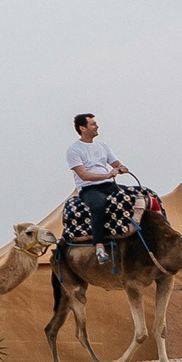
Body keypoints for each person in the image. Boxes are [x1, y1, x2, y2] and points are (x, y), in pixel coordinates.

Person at [66, 113, 136, 267]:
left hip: (109, 185)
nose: (96, 126)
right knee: (98, 206)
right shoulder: (74, 150)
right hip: (89, 189)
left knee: (140, 195)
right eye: (92, 124)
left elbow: (116, 163)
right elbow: (83, 175)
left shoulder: (102, 146)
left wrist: (121, 168)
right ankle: (99, 247)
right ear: (83, 128)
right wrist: (107, 174)